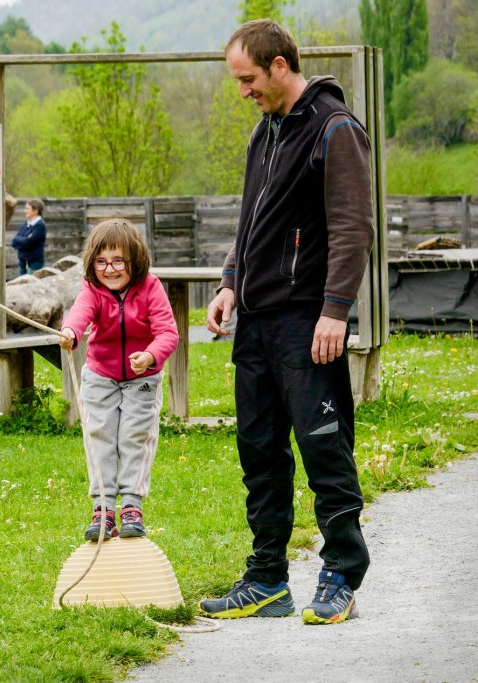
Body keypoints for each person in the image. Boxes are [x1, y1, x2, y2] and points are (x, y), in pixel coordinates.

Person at [201, 19, 375, 625]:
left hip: (307, 321)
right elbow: (252, 221)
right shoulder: (265, 133)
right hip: (254, 322)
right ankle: (268, 577)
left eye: (248, 79)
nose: (243, 91)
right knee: (260, 452)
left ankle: (341, 573)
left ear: (280, 65)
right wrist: (228, 283)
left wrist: (335, 312)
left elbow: (355, 231)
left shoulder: (335, 128)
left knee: (324, 448)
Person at [58, 219, 179, 541]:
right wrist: (71, 331)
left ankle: (131, 505)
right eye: (101, 261)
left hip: (143, 379)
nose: (109, 269)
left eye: (117, 261)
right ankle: (103, 509)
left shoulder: (151, 287)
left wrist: (151, 355)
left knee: (135, 437)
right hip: (101, 376)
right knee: (100, 437)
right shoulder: (92, 290)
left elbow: (168, 332)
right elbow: (79, 313)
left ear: (134, 260)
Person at [11, 198, 47, 275]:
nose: (25, 211)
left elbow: (29, 242)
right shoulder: (26, 224)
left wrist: (22, 240)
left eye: (27, 209)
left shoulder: (40, 226)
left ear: (36, 211)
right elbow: (14, 241)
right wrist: (25, 239)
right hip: (23, 263)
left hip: (34, 264)